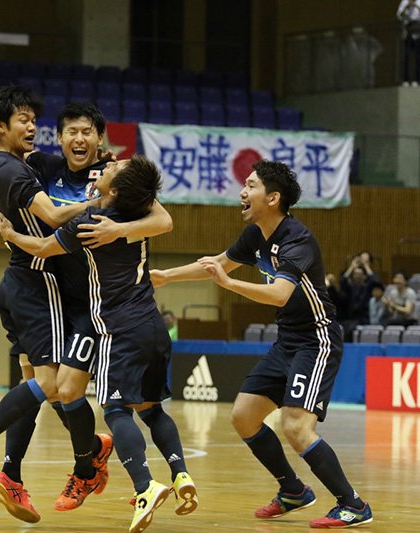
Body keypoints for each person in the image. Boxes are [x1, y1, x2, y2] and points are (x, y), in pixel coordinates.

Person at [150, 160, 372, 528]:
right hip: (288, 342)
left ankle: (353, 503)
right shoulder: (256, 235)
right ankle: (293, 490)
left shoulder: (297, 239)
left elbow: (281, 294)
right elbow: (217, 263)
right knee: (244, 417)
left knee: (297, 426)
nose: (242, 192)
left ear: (272, 198)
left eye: (250, 185)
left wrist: (229, 284)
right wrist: (166, 276)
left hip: (316, 341)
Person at [0, 101, 177, 516]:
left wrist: (119, 229)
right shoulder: (44, 166)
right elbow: (4, 160)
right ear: (60, 137)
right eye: (71, 131)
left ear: (100, 138)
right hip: (47, 290)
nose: (79, 139)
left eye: (87, 131)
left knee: (64, 388)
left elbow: (163, 221)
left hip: (92, 306)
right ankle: (20, 473)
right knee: (35, 378)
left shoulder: (112, 174)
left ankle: (84, 466)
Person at [0, 87, 108, 525]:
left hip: (20, 282)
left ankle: (14, 472)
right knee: (52, 384)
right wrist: (101, 201)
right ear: (1, 126)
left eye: (33, 119)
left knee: (35, 386)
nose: (31, 126)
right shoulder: (16, 170)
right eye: (23, 120)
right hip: (40, 283)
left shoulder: (22, 164)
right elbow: (56, 217)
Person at [338, 253, 379, 340]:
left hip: (364, 317)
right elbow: (342, 281)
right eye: (355, 274)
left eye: (360, 275)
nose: (357, 277)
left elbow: (376, 281)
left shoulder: (367, 287)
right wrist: (352, 267)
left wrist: (366, 266)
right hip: (350, 317)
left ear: (364, 276)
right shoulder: (351, 287)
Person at [398, 0, 420, 85]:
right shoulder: (404, 2)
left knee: (417, 56)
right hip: (407, 30)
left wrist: (415, 6)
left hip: (417, 29)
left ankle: (416, 79)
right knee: (406, 56)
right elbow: (399, 15)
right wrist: (406, 7)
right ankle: (405, 79)